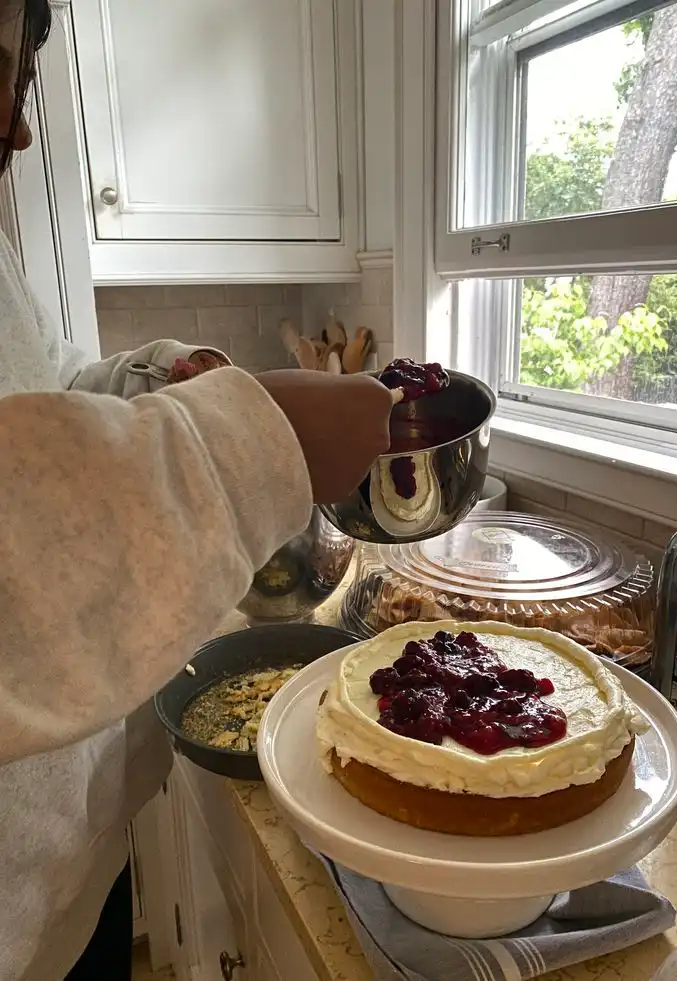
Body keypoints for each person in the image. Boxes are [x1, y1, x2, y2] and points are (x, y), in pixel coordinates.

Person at [0, 2, 395, 979]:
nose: (20, 129)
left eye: (18, 84)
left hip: (69, 859)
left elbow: (36, 387)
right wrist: (251, 437)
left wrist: (160, 377)